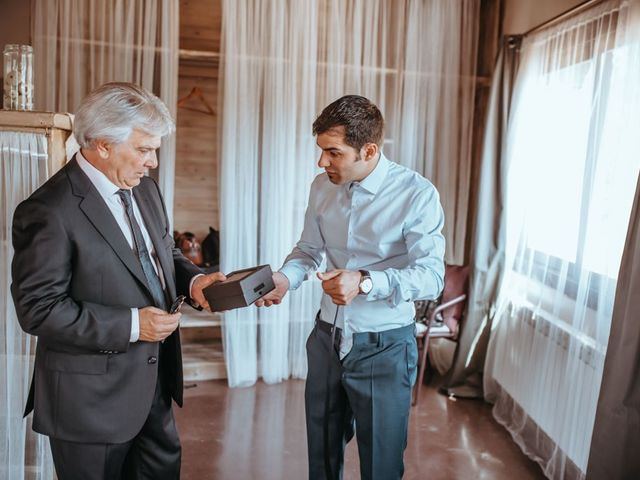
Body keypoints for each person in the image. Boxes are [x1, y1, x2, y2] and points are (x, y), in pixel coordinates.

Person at [11, 82, 224, 480]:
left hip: (154, 391)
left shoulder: (146, 191)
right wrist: (132, 325)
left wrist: (194, 283)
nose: (153, 162)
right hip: (88, 406)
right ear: (103, 144)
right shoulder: (47, 210)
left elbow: (166, 256)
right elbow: (38, 310)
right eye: (144, 150)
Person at [257, 95, 445, 479]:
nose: (321, 162)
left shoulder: (417, 194)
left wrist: (366, 282)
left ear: (369, 150)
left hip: (385, 346)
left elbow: (432, 277)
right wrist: (284, 278)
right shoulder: (321, 188)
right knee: (321, 459)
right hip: (326, 339)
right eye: (321, 151)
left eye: (333, 152)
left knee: (380, 466)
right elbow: (308, 250)